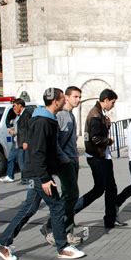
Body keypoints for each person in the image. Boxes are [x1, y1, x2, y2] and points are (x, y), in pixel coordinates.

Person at [0, 88, 86, 260]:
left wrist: (61, 161)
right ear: (56, 101)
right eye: (62, 99)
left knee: (29, 208)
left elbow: (48, 149)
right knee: (57, 207)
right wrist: (44, 178)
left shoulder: (47, 119)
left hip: (38, 172)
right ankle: (62, 246)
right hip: (39, 174)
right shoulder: (43, 121)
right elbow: (37, 152)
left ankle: (3, 243)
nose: (65, 101)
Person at [73, 89, 127, 228]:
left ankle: (110, 219)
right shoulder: (95, 115)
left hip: (103, 156)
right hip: (97, 157)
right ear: (106, 100)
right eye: (113, 102)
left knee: (111, 188)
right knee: (98, 189)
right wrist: (109, 141)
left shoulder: (100, 113)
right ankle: (68, 212)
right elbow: (95, 138)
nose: (113, 105)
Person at [40, 86, 83, 245]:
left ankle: (66, 230)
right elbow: (57, 141)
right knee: (69, 196)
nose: (78, 100)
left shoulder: (70, 115)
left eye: (79, 97)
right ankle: (55, 228)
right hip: (66, 162)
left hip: (72, 160)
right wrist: (64, 158)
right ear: (66, 97)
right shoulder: (63, 115)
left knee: (71, 196)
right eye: (75, 97)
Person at [0, 98, 31, 184]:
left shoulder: (26, 114)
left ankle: (26, 178)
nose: (13, 108)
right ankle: (10, 176)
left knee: (22, 161)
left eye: (14, 106)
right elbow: (20, 128)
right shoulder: (19, 115)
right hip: (17, 140)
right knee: (12, 158)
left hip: (22, 141)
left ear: (20, 105)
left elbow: (27, 129)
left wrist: (26, 141)